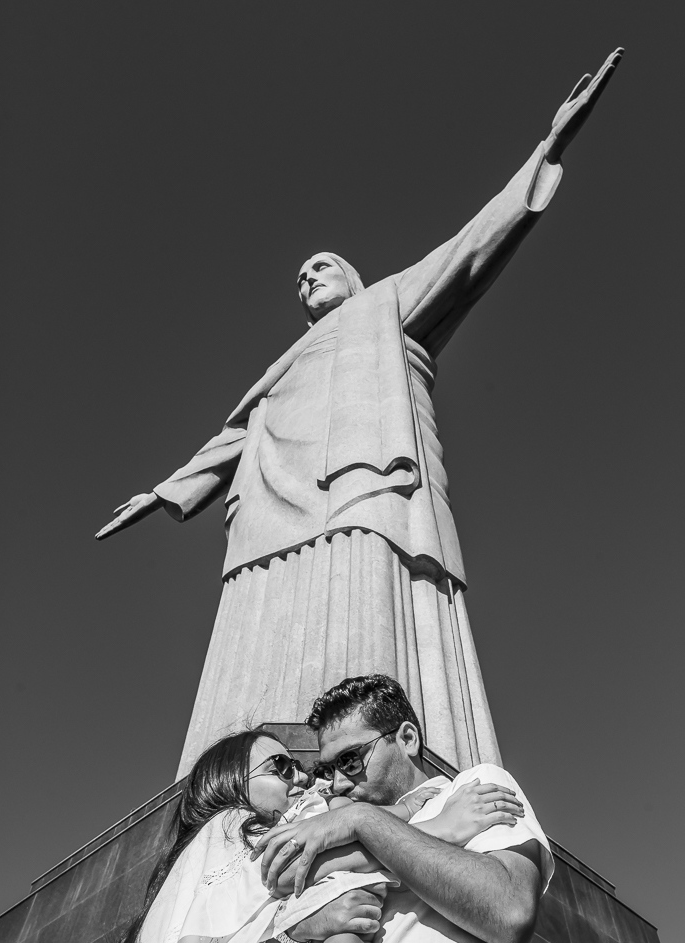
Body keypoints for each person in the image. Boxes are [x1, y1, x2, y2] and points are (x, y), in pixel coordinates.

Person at [94, 49, 623, 777]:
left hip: (360, 478)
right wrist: (163, 492)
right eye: (301, 274)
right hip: (269, 503)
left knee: (363, 593)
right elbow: (234, 434)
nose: (308, 276)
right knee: (260, 618)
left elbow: (473, 246)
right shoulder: (281, 366)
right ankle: (229, 776)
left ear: (355, 278)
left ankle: (368, 760)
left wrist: (549, 147)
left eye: (322, 266)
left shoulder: (389, 307)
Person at [252, 674, 554, 943]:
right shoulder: (323, 829)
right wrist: (296, 932)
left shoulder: (471, 792)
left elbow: (510, 910)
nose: (339, 781)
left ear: (407, 738)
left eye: (351, 759)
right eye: (329, 768)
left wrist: (362, 821)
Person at [50, 729, 391, 943]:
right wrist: (398, 827)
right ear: (231, 781)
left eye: (299, 767)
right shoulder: (231, 822)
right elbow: (285, 869)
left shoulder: (226, 868)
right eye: (282, 767)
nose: (303, 776)